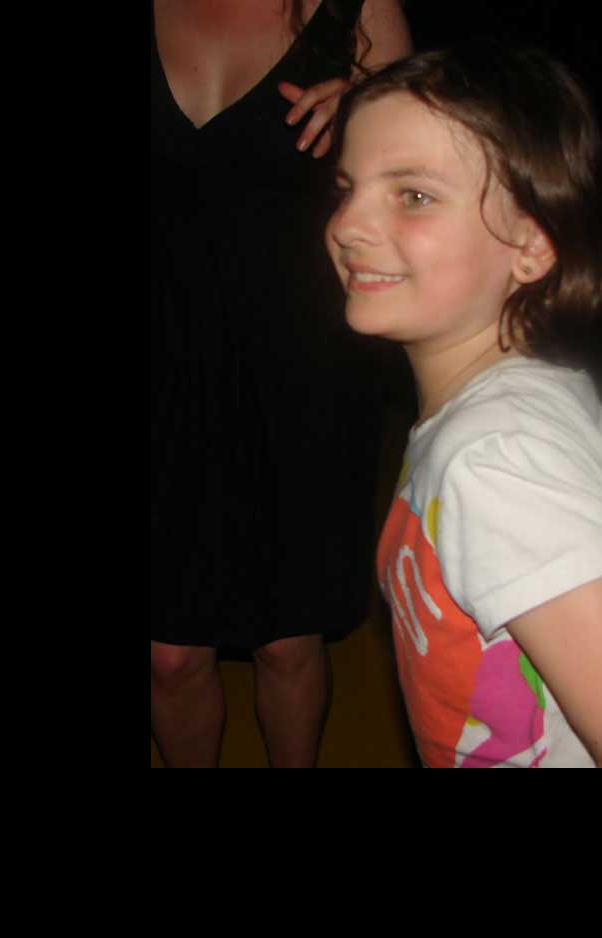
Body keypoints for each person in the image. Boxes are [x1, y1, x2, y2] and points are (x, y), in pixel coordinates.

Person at [326, 42, 602, 767]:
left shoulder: (496, 458)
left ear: (533, 247)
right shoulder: (514, 402)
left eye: (413, 195)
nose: (348, 224)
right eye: (347, 186)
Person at [150, 0, 413, 768]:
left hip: (301, 377)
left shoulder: (357, 8)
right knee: (167, 654)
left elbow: (430, 174)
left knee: (286, 642)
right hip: (160, 369)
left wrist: (375, 121)